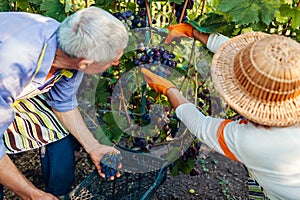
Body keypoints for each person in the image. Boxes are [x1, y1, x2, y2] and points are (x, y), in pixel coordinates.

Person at [141, 23, 300, 199]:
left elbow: (200, 125)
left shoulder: (250, 140)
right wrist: (194, 32)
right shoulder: (292, 78)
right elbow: (244, 60)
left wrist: (168, 89)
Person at [0, 6, 128, 199]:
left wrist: (93, 146)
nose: (116, 64)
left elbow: (63, 103)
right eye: (113, 61)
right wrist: (30, 194)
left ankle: (60, 193)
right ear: (85, 63)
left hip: (12, 94)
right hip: (6, 85)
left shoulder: (69, 47)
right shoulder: (12, 67)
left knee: (59, 134)